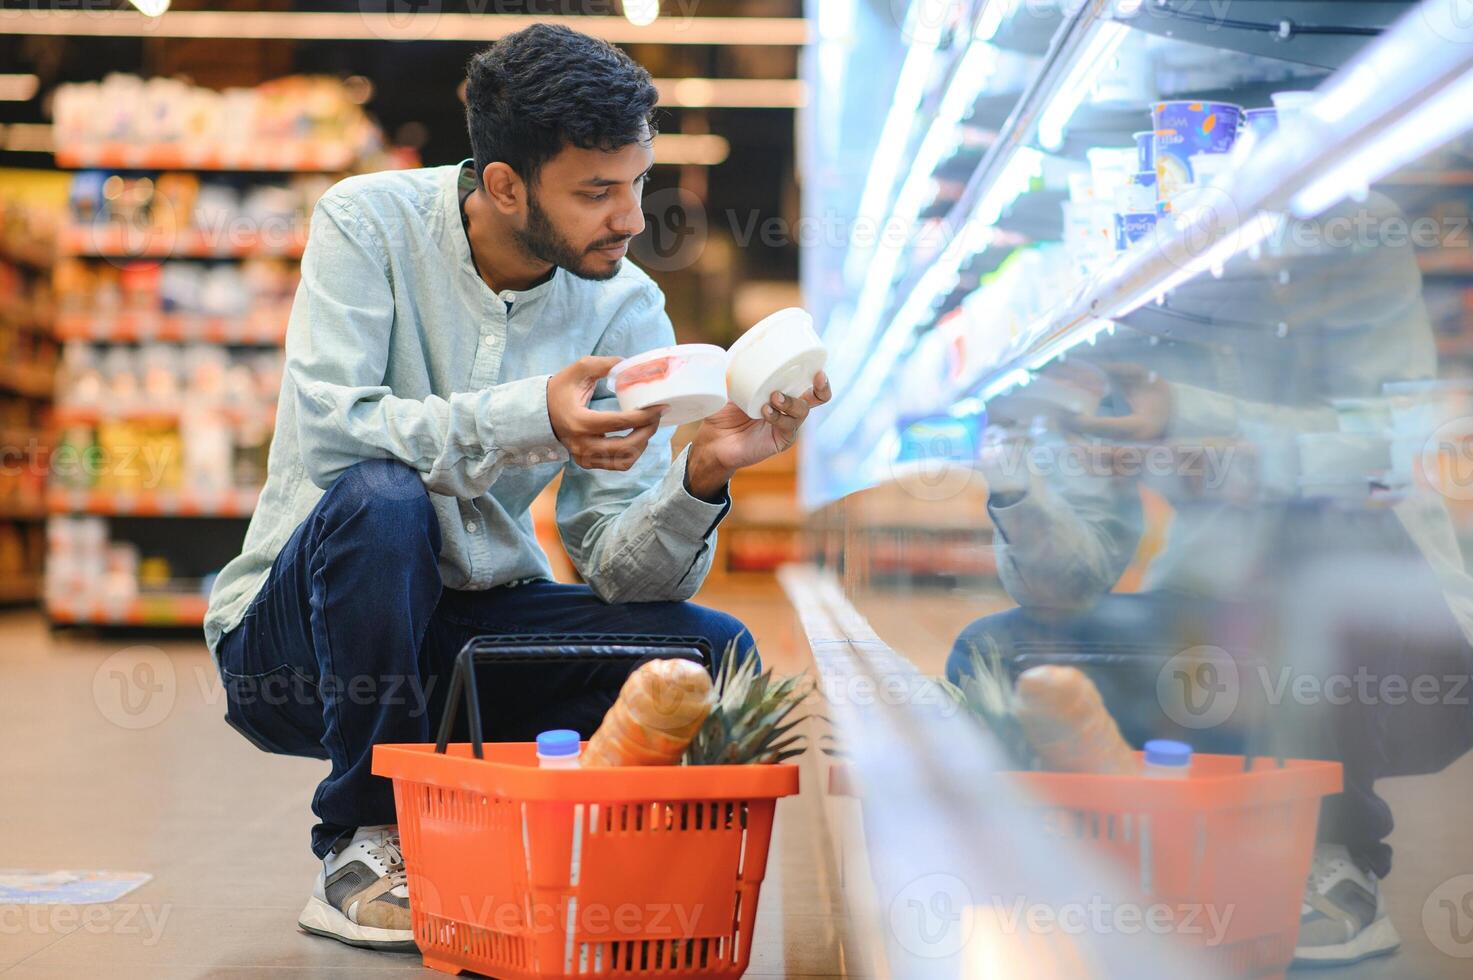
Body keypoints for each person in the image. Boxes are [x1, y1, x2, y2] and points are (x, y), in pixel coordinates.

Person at [203, 24, 830, 952]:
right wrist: (529, 412)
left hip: (469, 642)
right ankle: (361, 843)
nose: (628, 217)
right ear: (503, 184)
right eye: (595, 191)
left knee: (707, 650)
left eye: (638, 183)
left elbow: (620, 572)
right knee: (384, 498)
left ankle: (632, 864)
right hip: (300, 646)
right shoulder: (366, 223)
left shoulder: (625, 305)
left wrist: (703, 473)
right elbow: (334, 434)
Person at [950, 191, 1473, 969]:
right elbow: (1064, 586)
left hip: (1394, 644)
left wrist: (1187, 419)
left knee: (1321, 540)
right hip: (1213, 632)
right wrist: (1019, 489)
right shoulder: (1121, 301)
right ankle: (1065, 858)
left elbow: (1386, 453)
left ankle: (1335, 854)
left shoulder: (1351, 235)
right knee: (993, 649)